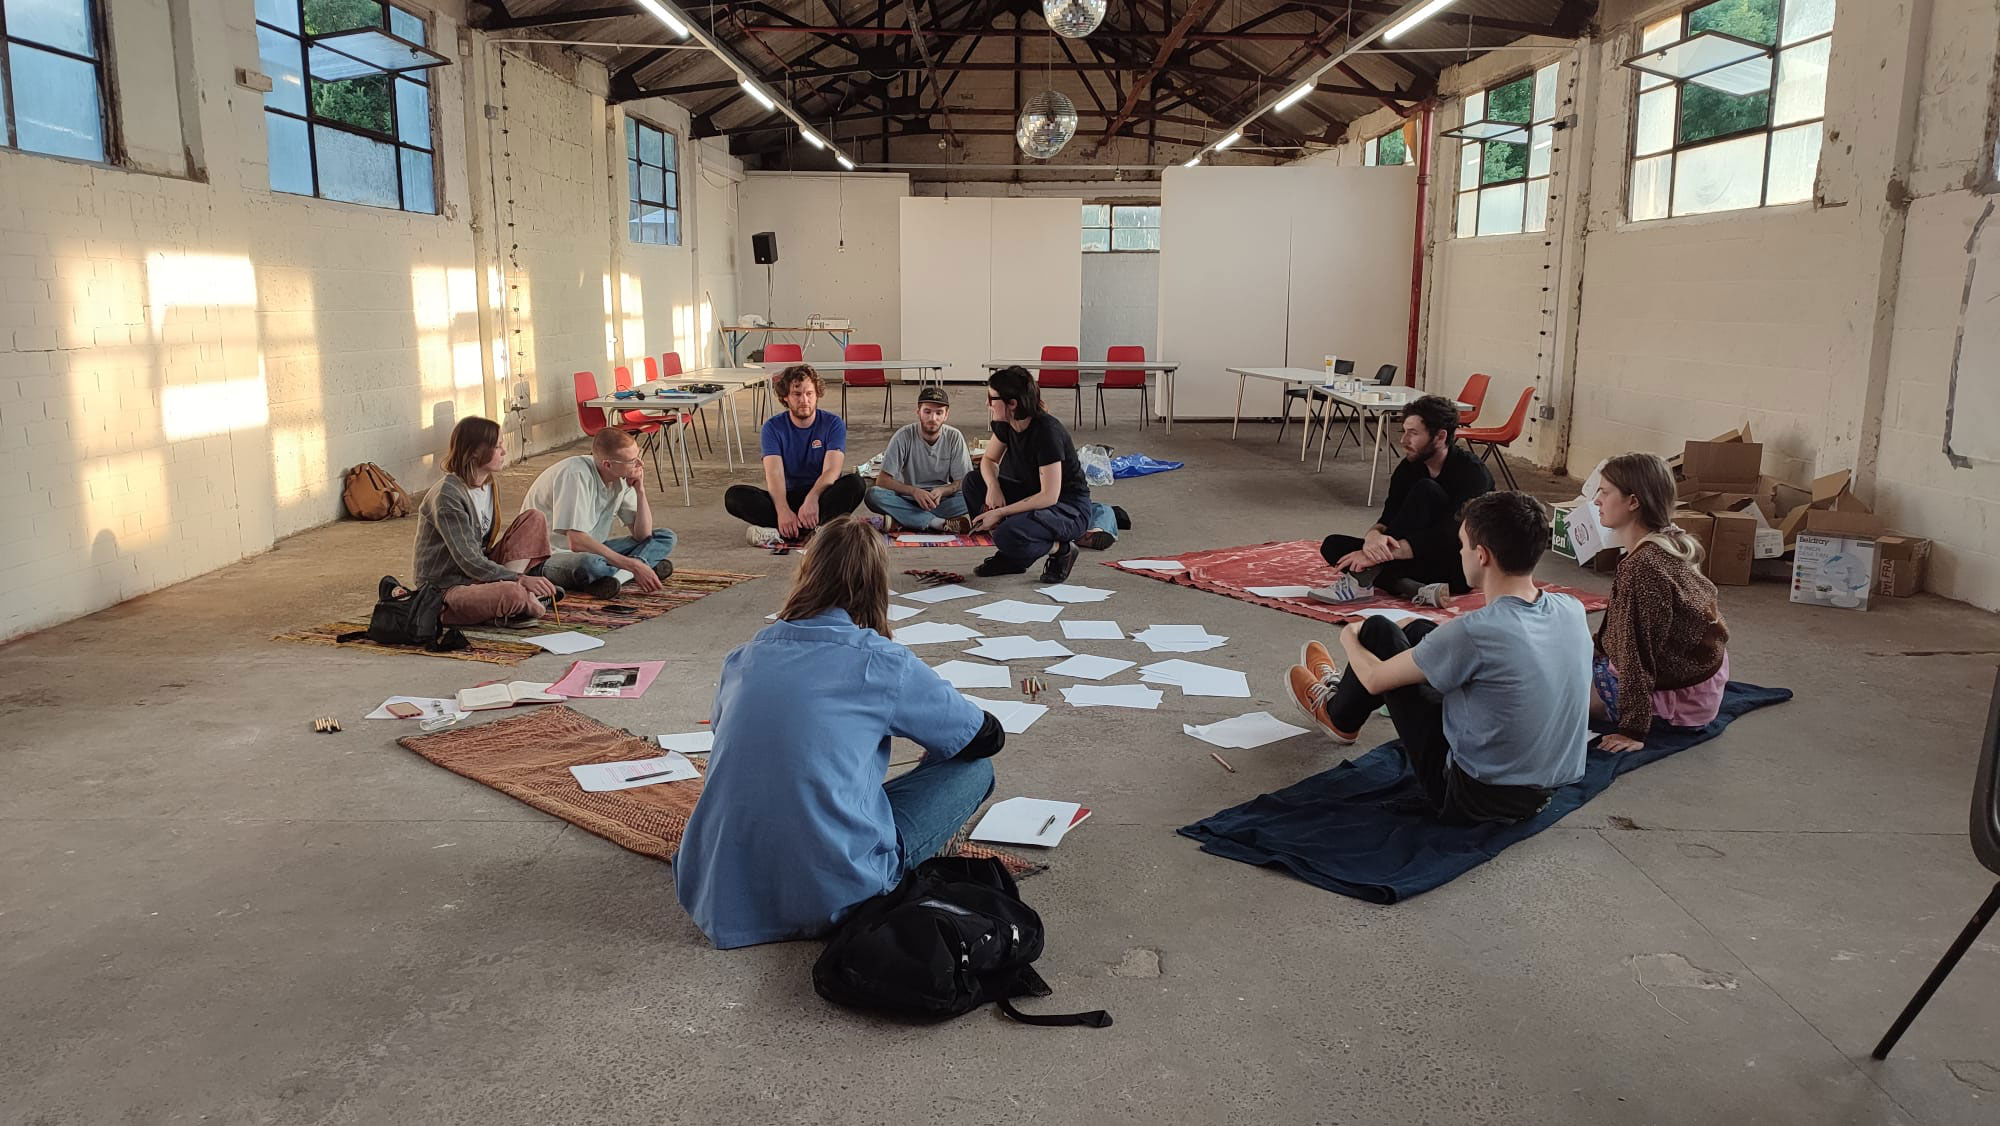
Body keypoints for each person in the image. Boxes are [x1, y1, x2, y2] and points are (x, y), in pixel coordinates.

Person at [674, 515, 1006, 949]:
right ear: (876, 585)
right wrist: (934, 739)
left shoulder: (747, 655)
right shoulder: (881, 661)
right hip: (836, 891)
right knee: (974, 770)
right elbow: (985, 736)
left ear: (806, 573)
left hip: (717, 889)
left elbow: (734, 741)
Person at [1286, 492, 1591, 824]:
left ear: (1483, 555)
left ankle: (1336, 713)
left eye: (1462, 546)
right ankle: (1342, 693)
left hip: (1472, 797)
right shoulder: (1570, 608)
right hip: (1546, 789)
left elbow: (1376, 678)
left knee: (1376, 633)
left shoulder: (1476, 631)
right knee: (1419, 630)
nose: (1459, 553)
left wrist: (1349, 634)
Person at [1590, 452, 1731, 751]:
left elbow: (1636, 652)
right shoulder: (1664, 543)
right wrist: (1593, 648)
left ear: (1633, 501)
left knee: (1545, 689)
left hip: (1680, 703)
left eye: (1604, 492)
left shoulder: (1642, 568)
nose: (1595, 501)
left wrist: (1632, 730)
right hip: (1701, 686)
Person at [1315, 394, 1493, 608]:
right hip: (1412, 557)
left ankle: (1364, 578)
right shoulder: (1408, 468)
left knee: (1426, 490)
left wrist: (1377, 556)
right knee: (1333, 545)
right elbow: (1389, 518)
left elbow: (1450, 534)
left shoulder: (1472, 473)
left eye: (1413, 433)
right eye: (1404, 431)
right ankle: (1413, 588)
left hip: (1458, 565)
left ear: (1440, 436)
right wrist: (1373, 538)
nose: (1403, 440)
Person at [413, 417, 561, 626]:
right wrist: (519, 580)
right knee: (514, 594)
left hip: (478, 574)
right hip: (448, 587)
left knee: (534, 518)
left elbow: (482, 553)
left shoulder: (489, 483)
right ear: (474, 451)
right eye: (498, 446)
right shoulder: (448, 495)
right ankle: (518, 599)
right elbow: (469, 561)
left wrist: (512, 577)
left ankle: (513, 598)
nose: (504, 452)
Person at [963, 366, 1092, 582]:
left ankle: (1061, 550)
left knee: (1007, 534)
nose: (987, 404)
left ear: (1012, 404)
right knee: (973, 482)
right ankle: (1015, 556)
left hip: (1067, 507)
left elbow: (1049, 496)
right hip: (1031, 493)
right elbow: (988, 460)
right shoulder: (1005, 423)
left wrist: (1001, 512)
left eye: (991, 398)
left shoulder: (1046, 432)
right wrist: (993, 487)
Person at [519, 427, 676, 600]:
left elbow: (642, 535)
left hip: (593, 550)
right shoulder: (576, 475)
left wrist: (641, 492)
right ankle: (638, 568)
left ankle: (616, 578)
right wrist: (632, 565)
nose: (640, 464)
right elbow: (576, 543)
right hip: (550, 557)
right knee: (591, 565)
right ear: (608, 464)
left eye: (639, 455)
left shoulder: (622, 478)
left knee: (665, 537)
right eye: (632, 461)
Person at [724, 364, 866, 544]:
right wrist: (783, 510)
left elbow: (832, 471)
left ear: (817, 395)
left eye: (809, 394)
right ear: (786, 398)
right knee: (734, 496)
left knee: (856, 483)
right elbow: (774, 474)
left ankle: (786, 530)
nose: (804, 400)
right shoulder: (772, 427)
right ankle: (807, 528)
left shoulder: (833, 423)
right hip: (786, 496)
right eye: (797, 395)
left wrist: (813, 498)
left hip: (820, 494)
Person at [864, 386, 973, 534]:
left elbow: (962, 481)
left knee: (976, 495)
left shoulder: (954, 437)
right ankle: (937, 523)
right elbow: (882, 480)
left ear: (946, 415)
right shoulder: (903, 436)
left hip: (940, 501)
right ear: (918, 412)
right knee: (874, 495)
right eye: (927, 412)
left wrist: (943, 490)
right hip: (906, 498)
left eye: (939, 413)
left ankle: (903, 519)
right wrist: (914, 492)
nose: (932, 418)